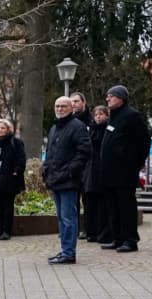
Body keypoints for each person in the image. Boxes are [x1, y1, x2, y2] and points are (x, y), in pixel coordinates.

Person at [100, 84, 151, 253]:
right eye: (107, 96)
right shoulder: (113, 117)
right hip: (109, 173)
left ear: (121, 98)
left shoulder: (132, 116)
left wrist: (134, 162)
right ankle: (117, 238)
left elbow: (143, 141)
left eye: (111, 96)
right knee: (112, 207)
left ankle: (130, 240)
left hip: (124, 172)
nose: (107, 98)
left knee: (125, 206)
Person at [43, 96, 91, 265]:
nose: (60, 109)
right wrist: (46, 171)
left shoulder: (77, 127)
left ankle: (69, 253)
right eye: (57, 106)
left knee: (69, 217)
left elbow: (84, 152)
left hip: (69, 180)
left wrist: (70, 172)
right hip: (56, 179)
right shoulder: (54, 128)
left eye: (63, 106)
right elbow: (50, 152)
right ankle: (65, 250)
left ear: (71, 108)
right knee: (62, 218)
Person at [83, 105, 110, 243]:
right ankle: (90, 231)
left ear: (106, 115)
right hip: (90, 170)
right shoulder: (90, 129)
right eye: (96, 114)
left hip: (102, 168)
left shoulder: (107, 129)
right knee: (89, 202)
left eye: (101, 114)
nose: (98, 117)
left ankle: (102, 232)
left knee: (102, 203)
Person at [70, 91, 93, 239]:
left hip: (88, 165)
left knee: (87, 199)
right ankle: (74, 229)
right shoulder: (69, 122)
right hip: (72, 165)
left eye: (77, 101)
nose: (74, 104)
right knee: (72, 199)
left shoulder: (91, 121)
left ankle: (88, 229)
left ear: (84, 103)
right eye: (72, 102)